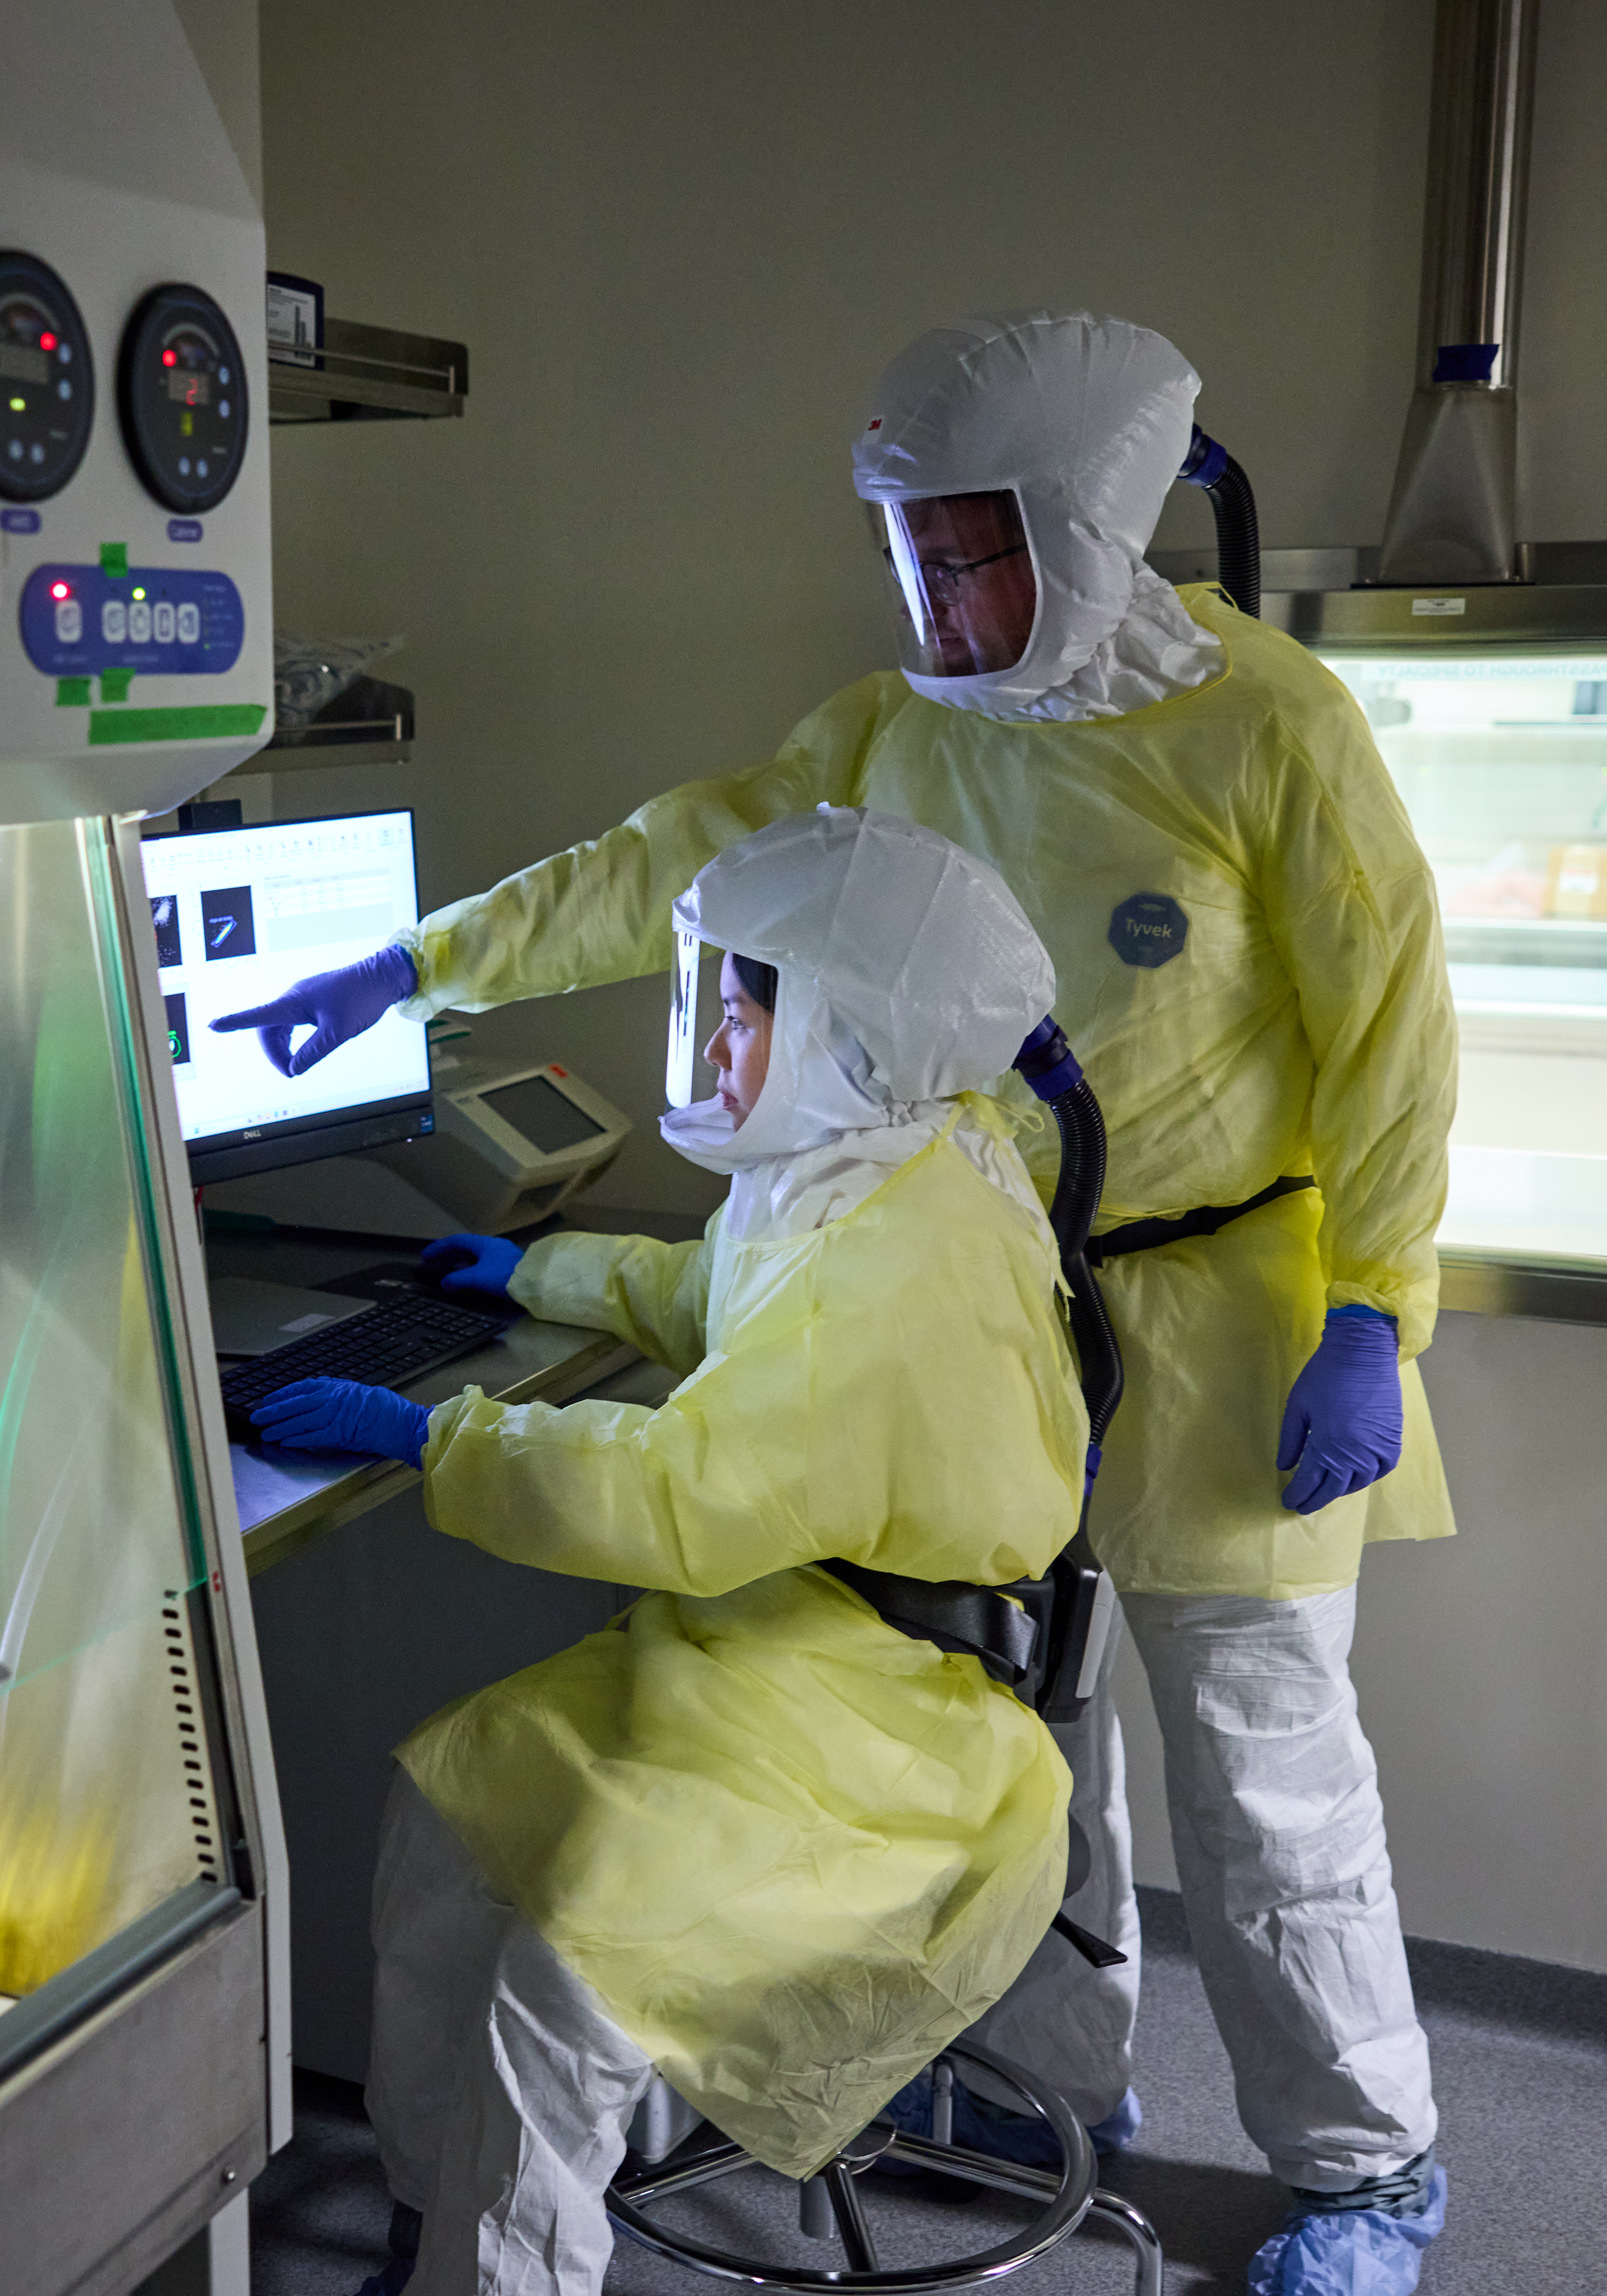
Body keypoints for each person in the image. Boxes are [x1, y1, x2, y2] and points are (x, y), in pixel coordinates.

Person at [215, 312, 1456, 2295]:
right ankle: (1052, 2083)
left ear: (1086, 531)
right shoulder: (897, 730)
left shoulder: (1275, 728)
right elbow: (689, 863)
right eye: (910, 549)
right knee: (1041, 1723)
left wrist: (1377, 1308)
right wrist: (414, 968)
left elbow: (1396, 1038)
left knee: (1269, 1767)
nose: (933, 597)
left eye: (971, 553)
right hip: (997, 1300)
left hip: (1240, 1323)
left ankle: (1365, 2168)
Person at [254, 808, 1088, 2296]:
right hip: (776, 1672)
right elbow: (732, 1292)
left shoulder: (881, 1258)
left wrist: (422, 1434)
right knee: (447, 1818)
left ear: (847, 1028)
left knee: (562, 1989)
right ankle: (429, 2214)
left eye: (741, 1012)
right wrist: (548, 1269)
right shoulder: (887, 1148)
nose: (706, 1045)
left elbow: (675, 1501)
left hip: (876, 1734)